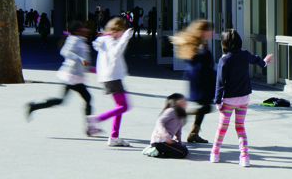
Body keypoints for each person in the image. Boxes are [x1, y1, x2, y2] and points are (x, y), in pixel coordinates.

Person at [210, 28, 273, 167]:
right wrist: (265, 62)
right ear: (239, 41)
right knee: (240, 127)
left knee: (222, 128)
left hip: (228, 100)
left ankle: (215, 153)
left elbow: (220, 83)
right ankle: (244, 157)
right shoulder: (245, 55)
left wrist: (217, 101)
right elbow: (256, 60)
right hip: (244, 99)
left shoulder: (224, 60)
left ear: (224, 44)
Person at [25, 20, 100, 135]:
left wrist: (97, 70)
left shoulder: (82, 42)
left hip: (75, 76)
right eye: (82, 28)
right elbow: (65, 52)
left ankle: (34, 106)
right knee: (88, 98)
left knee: (62, 101)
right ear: (76, 31)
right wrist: (80, 60)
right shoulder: (74, 39)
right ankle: (90, 128)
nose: (85, 30)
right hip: (72, 75)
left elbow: (85, 65)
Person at [91, 16, 136, 147]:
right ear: (117, 30)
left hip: (110, 77)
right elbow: (115, 53)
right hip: (112, 78)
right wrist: (125, 38)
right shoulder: (110, 40)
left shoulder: (106, 39)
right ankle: (97, 119)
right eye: (123, 30)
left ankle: (114, 136)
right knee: (124, 106)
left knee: (120, 107)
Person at [173, 19, 216, 144]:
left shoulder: (197, 44)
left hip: (198, 79)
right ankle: (182, 114)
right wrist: (217, 75)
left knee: (205, 106)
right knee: (206, 107)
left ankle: (193, 133)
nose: (212, 32)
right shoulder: (200, 47)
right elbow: (202, 67)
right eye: (210, 30)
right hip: (201, 80)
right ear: (203, 31)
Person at [143, 93, 191, 159]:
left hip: (168, 140)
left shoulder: (181, 114)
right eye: (182, 101)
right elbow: (160, 121)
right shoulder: (171, 111)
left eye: (184, 101)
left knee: (184, 149)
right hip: (160, 140)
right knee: (182, 153)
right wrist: (164, 134)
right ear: (176, 102)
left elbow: (178, 131)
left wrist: (180, 142)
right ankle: (156, 152)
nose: (184, 103)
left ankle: (158, 150)